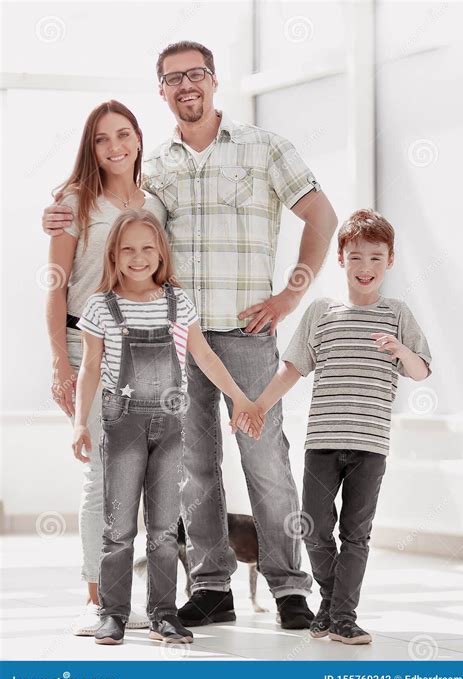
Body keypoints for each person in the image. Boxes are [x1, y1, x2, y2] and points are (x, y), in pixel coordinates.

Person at [42, 40, 339, 629]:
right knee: (193, 469)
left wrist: (291, 294)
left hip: (247, 337)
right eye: (173, 79)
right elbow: (103, 213)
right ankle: (209, 585)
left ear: (214, 80)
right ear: (162, 90)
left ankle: (287, 588)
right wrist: (52, 213)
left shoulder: (264, 148)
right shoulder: (155, 172)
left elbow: (323, 218)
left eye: (196, 75)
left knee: (266, 463)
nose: (186, 86)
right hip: (175, 346)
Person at [72, 208, 263, 645]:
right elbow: (90, 368)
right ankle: (113, 613)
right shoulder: (101, 306)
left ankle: (163, 613)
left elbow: (206, 357)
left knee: (162, 528)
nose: (138, 258)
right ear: (114, 256)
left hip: (170, 427)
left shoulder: (178, 302)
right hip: (121, 425)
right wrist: (78, 424)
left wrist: (240, 398)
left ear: (161, 253)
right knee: (119, 528)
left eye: (147, 248)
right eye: (128, 250)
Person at [241, 209, 432, 644]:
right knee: (312, 525)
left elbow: (421, 371)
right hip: (323, 443)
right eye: (357, 257)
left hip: (370, 446)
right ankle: (331, 602)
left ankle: (341, 616)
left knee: (356, 535)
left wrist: (401, 350)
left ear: (390, 261)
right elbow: (292, 369)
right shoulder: (321, 312)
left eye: (376, 258)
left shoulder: (397, 314)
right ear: (341, 259)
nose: (366, 268)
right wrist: (258, 406)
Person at [46, 100, 167, 635]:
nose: (114, 146)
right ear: (90, 148)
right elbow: (55, 286)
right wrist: (58, 363)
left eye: (123, 134)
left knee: (138, 477)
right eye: (101, 139)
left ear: (139, 138)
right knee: (100, 476)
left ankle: (124, 595)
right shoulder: (74, 202)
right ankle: (96, 597)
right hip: (83, 347)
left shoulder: (156, 203)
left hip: (144, 351)